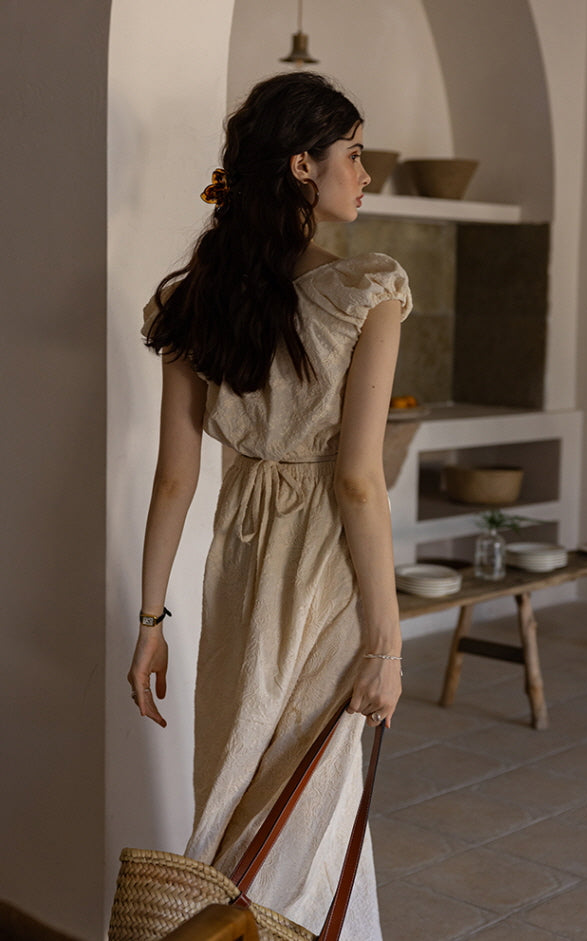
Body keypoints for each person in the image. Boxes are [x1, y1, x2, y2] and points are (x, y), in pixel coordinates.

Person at [127, 71, 411, 939]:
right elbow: (358, 479)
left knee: (235, 778)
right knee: (309, 807)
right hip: (325, 569)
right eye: (353, 154)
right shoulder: (369, 291)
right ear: (300, 164)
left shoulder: (194, 301)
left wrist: (150, 621)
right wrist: (385, 642)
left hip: (239, 564)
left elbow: (175, 479)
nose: (365, 174)